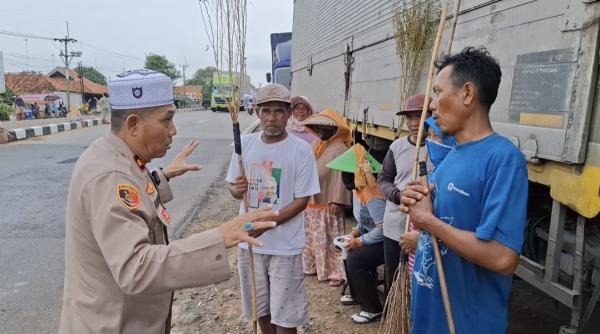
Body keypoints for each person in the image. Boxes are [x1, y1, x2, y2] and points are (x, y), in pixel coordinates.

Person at [58, 69, 278, 334]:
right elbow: (135, 268)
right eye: (167, 120)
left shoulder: (112, 154)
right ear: (133, 124)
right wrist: (221, 236)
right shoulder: (111, 175)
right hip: (114, 323)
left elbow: (132, 200)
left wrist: (163, 176)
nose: (174, 130)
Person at [400, 47, 528, 334]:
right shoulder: (453, 155)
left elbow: (503, 258)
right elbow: (448, 220)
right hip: (430, 317)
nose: (431, 105)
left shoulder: (503, 159)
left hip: (466, 323)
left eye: (437, 92)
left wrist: (429, 221)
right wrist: (420, 201)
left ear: (467, 94)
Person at [226, 83, 320, 334]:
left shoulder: (301, 150)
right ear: (257, 112)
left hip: (285, 247)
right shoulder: (244, 144)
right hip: (250, 245)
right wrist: (237, 189)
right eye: (266, 111)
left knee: (286, 316)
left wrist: (266, 225)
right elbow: (233, 188)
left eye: (278, 111)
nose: (272, 117)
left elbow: (302, 201)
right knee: (261, 311)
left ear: (289, 113)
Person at [377, 94, 431, 292]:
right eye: (410, 118)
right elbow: (383, 179)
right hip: (395, 225)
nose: (414, 123)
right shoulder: (397, 147)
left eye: (419, 116)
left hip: (425, 230)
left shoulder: (441, 149)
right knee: (394, 277)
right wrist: (399, 195)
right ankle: (394, 319)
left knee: (421, 278)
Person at [336, 144, 387, 324]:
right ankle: (357, 294)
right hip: (374, 237)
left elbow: (382, 227)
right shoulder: (360, 191)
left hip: (387, 242)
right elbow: (365, 219)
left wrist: (361, 241)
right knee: (348, 251)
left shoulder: (372, 193)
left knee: (356, 259)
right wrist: (356, 231)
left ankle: (372, 308)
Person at [302, 109, 352, 286]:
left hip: (328, 201)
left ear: (335, 130)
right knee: (315, 237)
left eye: (325, 128)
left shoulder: (340, 148)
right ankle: (315, 265)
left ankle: (335, 271)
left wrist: (337, 200)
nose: (321, 131)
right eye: (318, 127)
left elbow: (341, 177)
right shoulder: (318, 145)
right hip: (314, 199)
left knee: (331, 239)